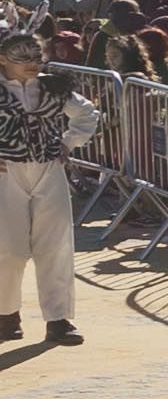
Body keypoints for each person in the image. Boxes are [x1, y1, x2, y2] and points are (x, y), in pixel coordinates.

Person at [0, 30, 93, 345]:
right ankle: (6, 315)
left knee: (55, 245)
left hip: (48, 170)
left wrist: (69, 142)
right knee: (8, 248)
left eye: (36, 56)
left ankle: (58, 319)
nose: (31, 63)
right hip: (6, 173)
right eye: (22, 57)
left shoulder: (53, 86)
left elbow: (86, 113)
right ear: (3, 59)